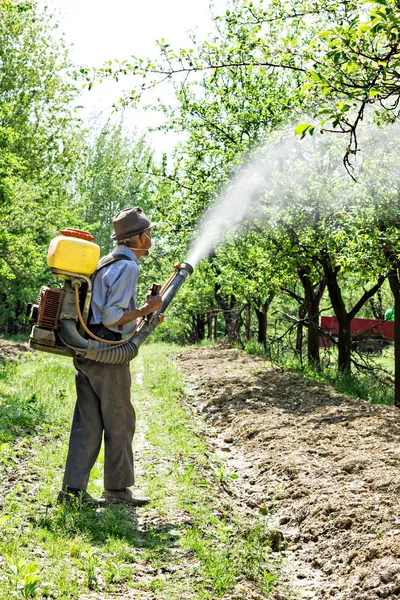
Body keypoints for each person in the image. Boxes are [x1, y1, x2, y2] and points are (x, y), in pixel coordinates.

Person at [58, 207, 163, 506]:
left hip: (87, 348)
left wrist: (142, 313)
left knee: (87, 423)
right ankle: (117, 492)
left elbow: (105, 312)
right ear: (140, 238)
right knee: (120, 419)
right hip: (107, 350)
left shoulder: (106, 261)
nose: (151, 239)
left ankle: (72, 492)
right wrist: (145, 310)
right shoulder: (129, 267)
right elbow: (111, 317)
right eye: (150, 235)